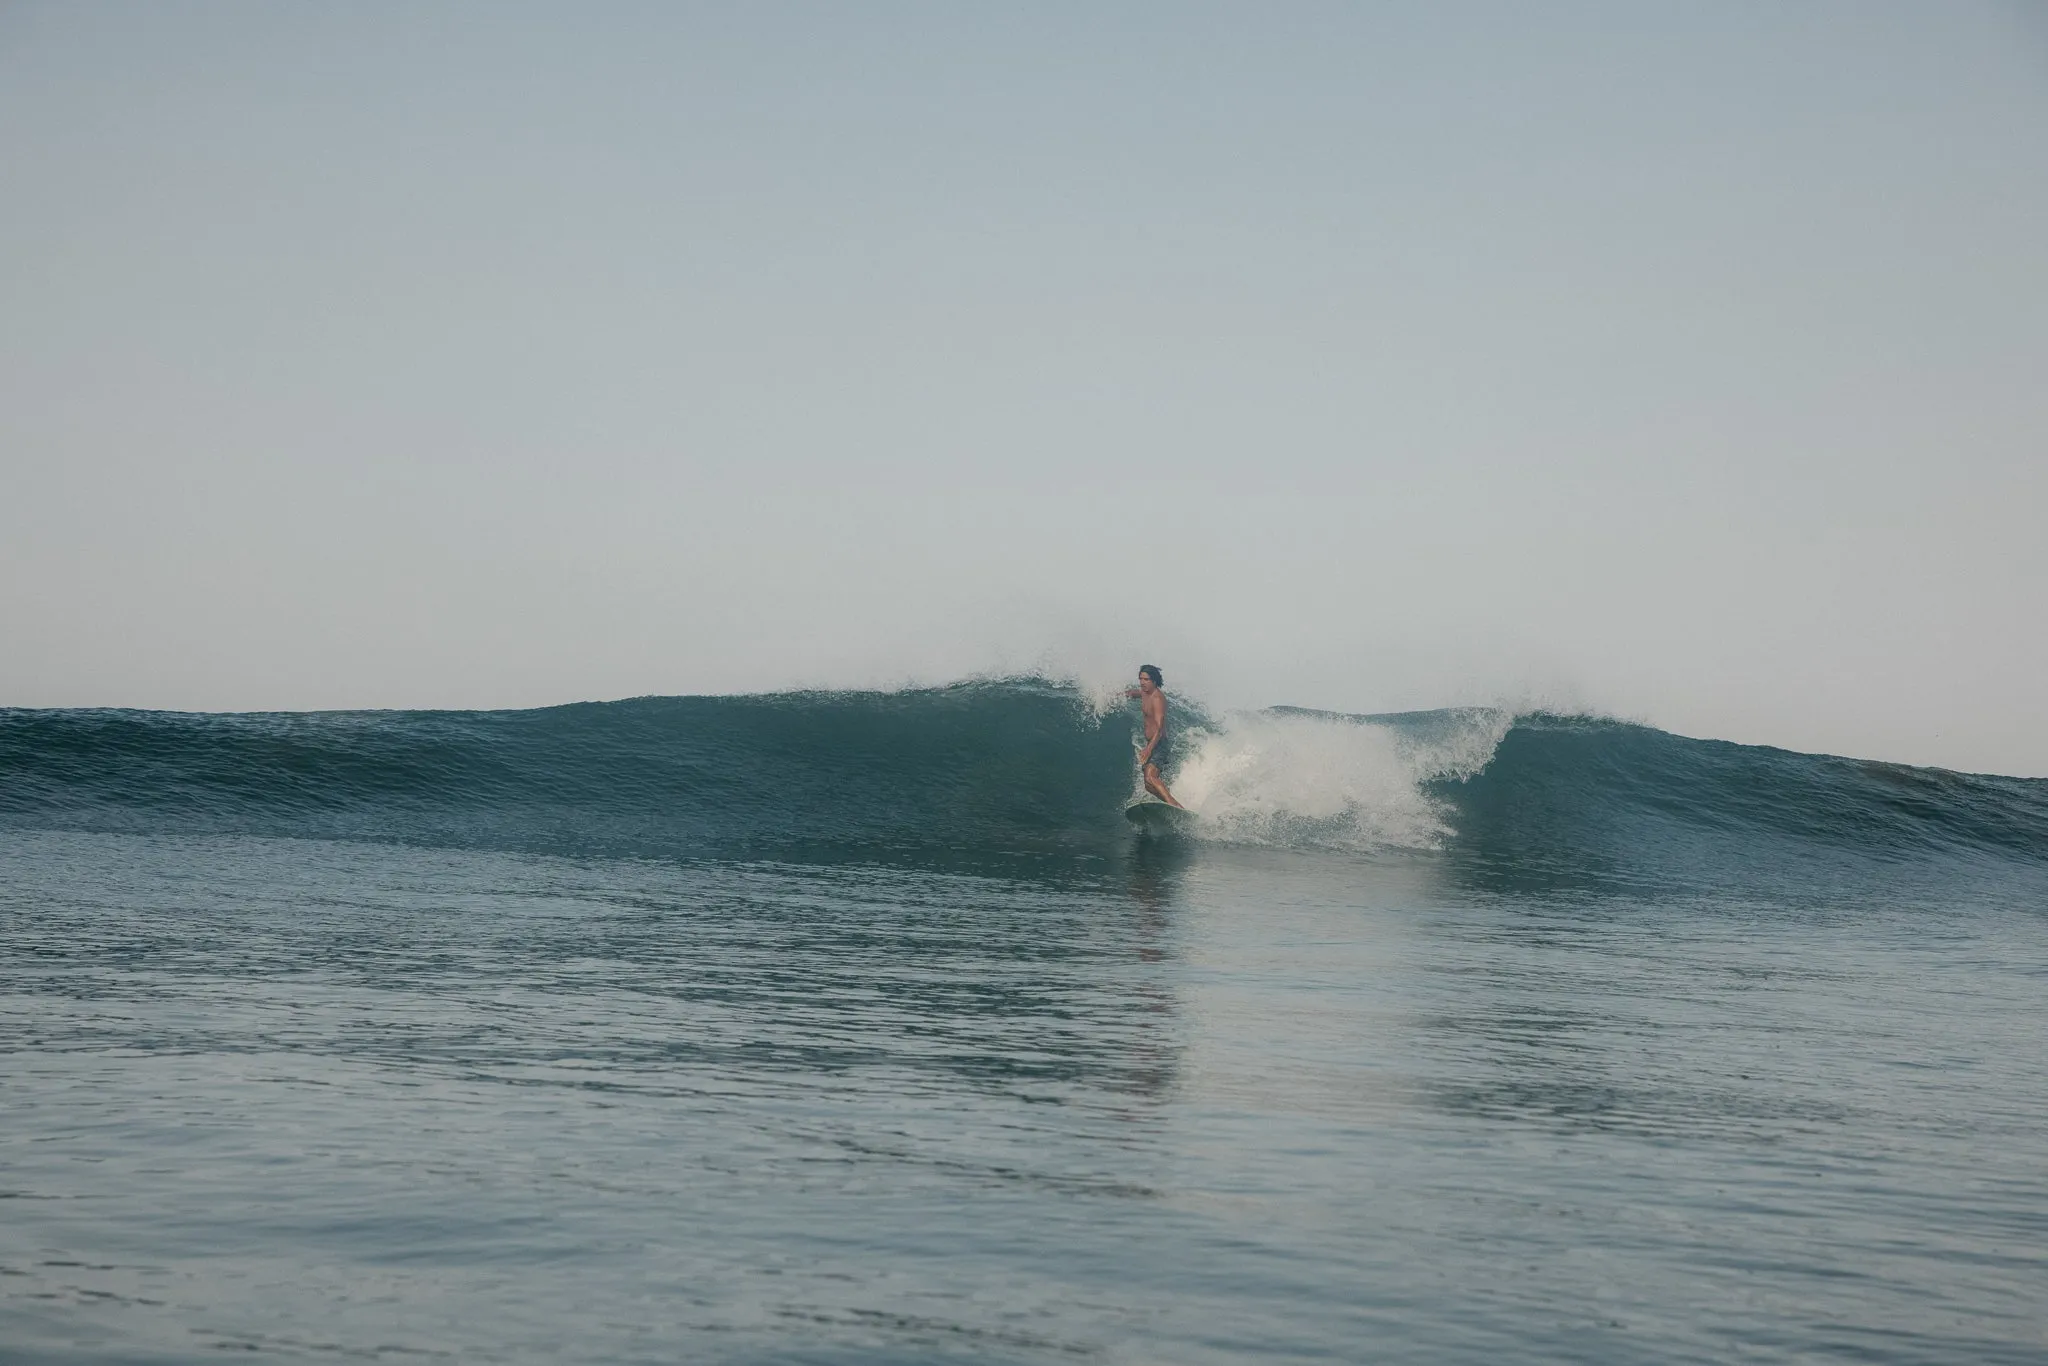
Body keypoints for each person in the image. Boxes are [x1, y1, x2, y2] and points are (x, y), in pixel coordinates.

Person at [1125, 664, 1184, 808]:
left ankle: (1175, 806)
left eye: (1146, 679)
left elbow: (1159, 728)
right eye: (1141, 679)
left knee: (1151, 776)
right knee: (1148, 785)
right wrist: (1125, 694)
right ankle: (1171, 805)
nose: (1142, 682)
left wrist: (1148, 749)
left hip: (1159, 744)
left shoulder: (1157, 698)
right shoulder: (1145, 692)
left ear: (1154, 681)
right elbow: (1137, 693)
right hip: (1152, 743)